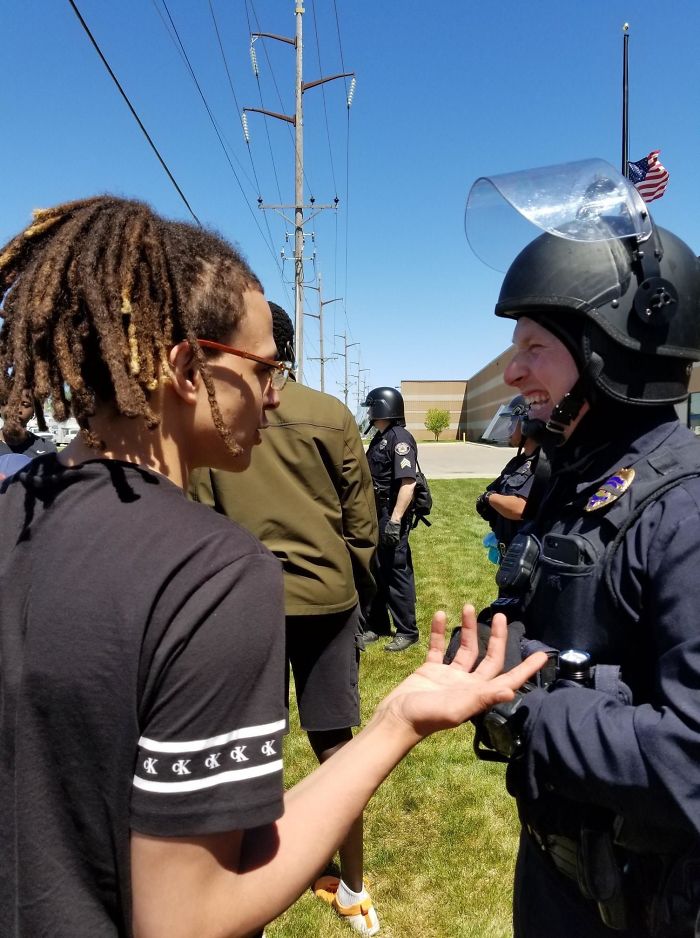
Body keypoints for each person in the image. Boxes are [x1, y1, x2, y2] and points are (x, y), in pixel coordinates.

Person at [0, 196, 545, 938]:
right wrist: (395, 723)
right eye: (265, 368)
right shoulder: (214, 573)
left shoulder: (14, 509)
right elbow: (186, 919)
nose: (275, 393)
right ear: (188, 368)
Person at [469, 169, 700, 937]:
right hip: (558, 870)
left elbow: (690, 757)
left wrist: (529, 707)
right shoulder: (570, 477)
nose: (512, 372)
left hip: (644, 903)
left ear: (610, 351)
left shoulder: (683, 508)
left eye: (536, 346)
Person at [189, 303, 381, 936]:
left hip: (246, 602)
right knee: (336, 746)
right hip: (327, 597)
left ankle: (248, 895)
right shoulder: (330, 414)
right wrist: (355, 577)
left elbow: (203, 513)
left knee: (247, 752)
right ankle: (354, 886)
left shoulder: (216, 420)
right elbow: (362, 516)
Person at [362, 386, 420, 652]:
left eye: (372, 407)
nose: (370, 413)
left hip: (391, 513)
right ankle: (378, 625)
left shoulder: (400, 439)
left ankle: (407, 630)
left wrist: (395, 521)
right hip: (376, 513)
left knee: (397, 571)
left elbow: (408, 482)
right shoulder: (380, 437)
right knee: (377, 570)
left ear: (382, 408)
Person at [475, 394, 540, 561]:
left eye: (513, 421)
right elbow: (493, 490)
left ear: (528, 423)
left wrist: (489, 498)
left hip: (528, 560)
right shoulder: (518, 461)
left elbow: (521, 509)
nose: (509, 427)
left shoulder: (542, 463)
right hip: (509, 556)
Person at [0, 388, 57, 457]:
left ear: (34, 412)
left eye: (25, 404)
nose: (17, 409)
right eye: (10, 402)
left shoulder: (47, 450)